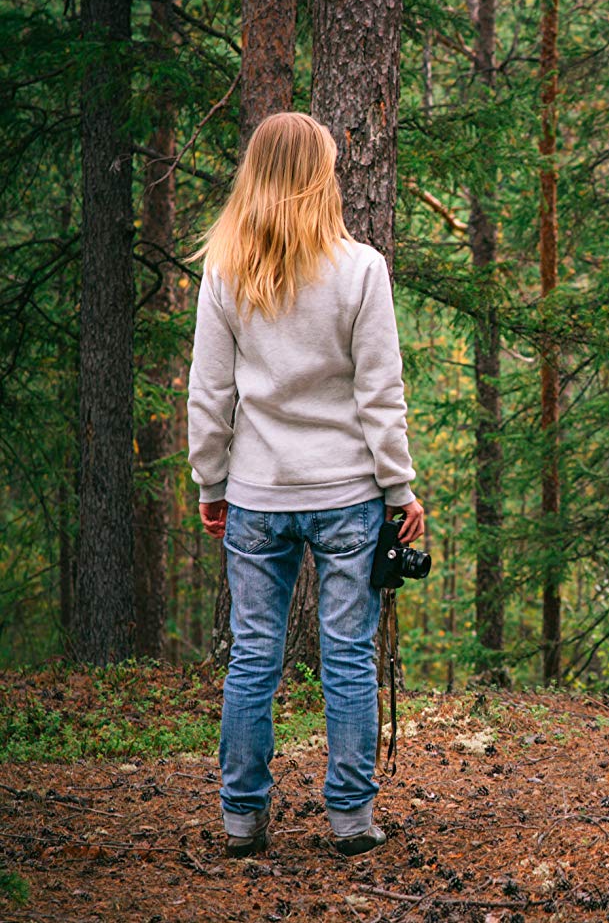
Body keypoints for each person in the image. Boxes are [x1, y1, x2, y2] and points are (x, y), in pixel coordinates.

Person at [186, 111, 426, 858]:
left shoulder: (227, 269)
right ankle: (351, 818)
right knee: (348, 655)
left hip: (257, 494)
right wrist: (400, 488)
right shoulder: (361, 270)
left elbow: (208, 392)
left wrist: (210, 483)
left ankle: (241, 818)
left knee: (253, 655)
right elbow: (378, 395)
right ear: (321, 175)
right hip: (349, 495)